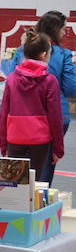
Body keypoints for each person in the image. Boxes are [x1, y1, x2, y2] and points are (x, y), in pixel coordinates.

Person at [13, 11, 76, 184]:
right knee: (45, 167)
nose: (64, 33)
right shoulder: (63, 55)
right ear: (56, 30)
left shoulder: (21, 51)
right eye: (63, 29)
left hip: (21, 116)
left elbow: (11, 82)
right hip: (53, 116)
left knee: (18, 166)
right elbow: (71, 88)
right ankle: (40, 200)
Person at [0, 30, 64, 178]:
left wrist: (3, 144)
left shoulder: (12, 79)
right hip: (39, 138)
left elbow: (4, 113)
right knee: (35, 180)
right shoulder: (50, 80)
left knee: (14, 180)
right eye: (49, 53)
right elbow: (55, 117)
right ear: (43, 54)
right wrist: (58, 149)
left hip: (14, 137)